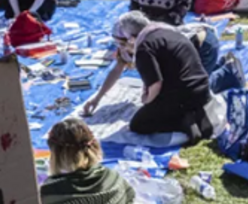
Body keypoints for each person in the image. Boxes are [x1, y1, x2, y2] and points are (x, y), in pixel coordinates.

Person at [82, 11, 217, 142]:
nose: (122, 48)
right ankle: (194, 114)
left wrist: (147, 102)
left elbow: (156, 84)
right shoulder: (164, 32)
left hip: (190, 84)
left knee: (138, 124)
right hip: (203, 91)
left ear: (131, 39)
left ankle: (184, 121)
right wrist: (97, 98)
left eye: (123, 44)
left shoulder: (144, 47)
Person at [177, 23, 246, 95]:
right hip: (201, 37)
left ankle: (228, 73)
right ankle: (219, 67)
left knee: (195, 89)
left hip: (204, 44)